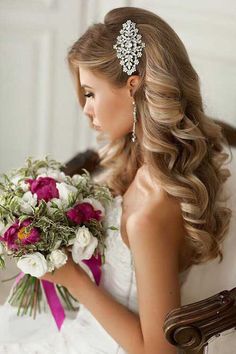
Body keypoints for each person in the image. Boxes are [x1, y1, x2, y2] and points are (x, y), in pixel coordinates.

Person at [0, 6, 232, 354]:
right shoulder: (141, 167)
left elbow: (160, 351)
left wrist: (73, 280)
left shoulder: (150, 213)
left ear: (132, 88)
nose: (86, 109)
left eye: (91, 93)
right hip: (88, 330)